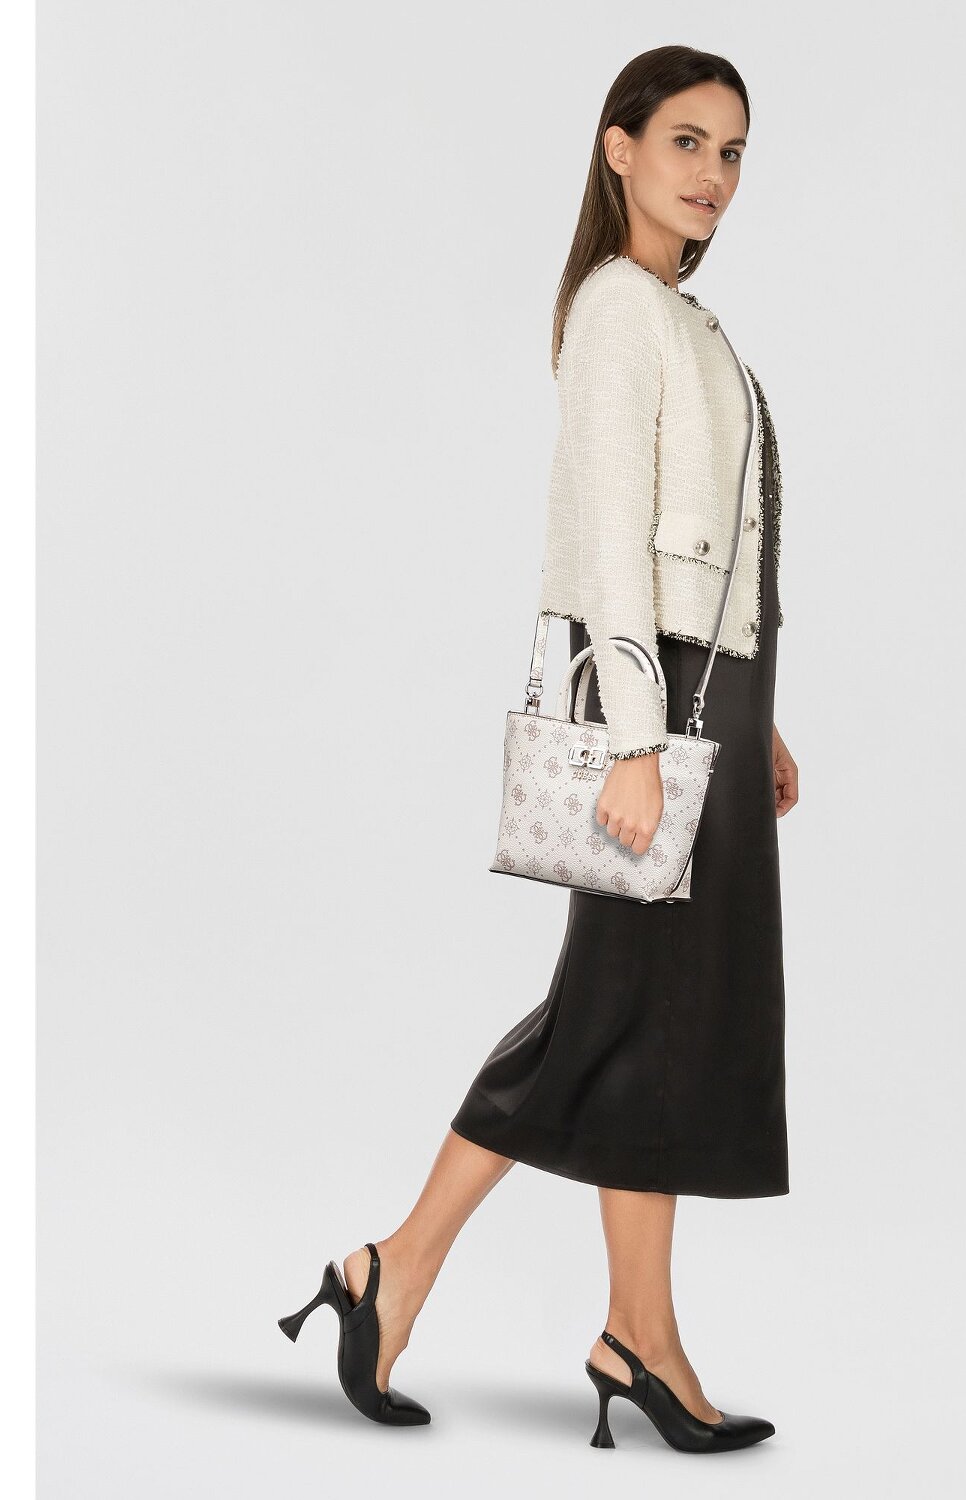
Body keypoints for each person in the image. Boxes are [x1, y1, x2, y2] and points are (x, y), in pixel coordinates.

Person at [279, 44, 800, 1455]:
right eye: (687, 141)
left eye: (733, 153)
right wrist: (639, 736)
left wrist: (751, 715)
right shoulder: (622, 310)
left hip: (703, 704)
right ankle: (422, 1273)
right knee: (612, 1020)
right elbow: (607, 545)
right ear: (619, 147)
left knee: (649, 1025)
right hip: (654, 713)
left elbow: (709, 549)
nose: (714, 175)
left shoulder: (684, 319)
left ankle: (613, 1326)